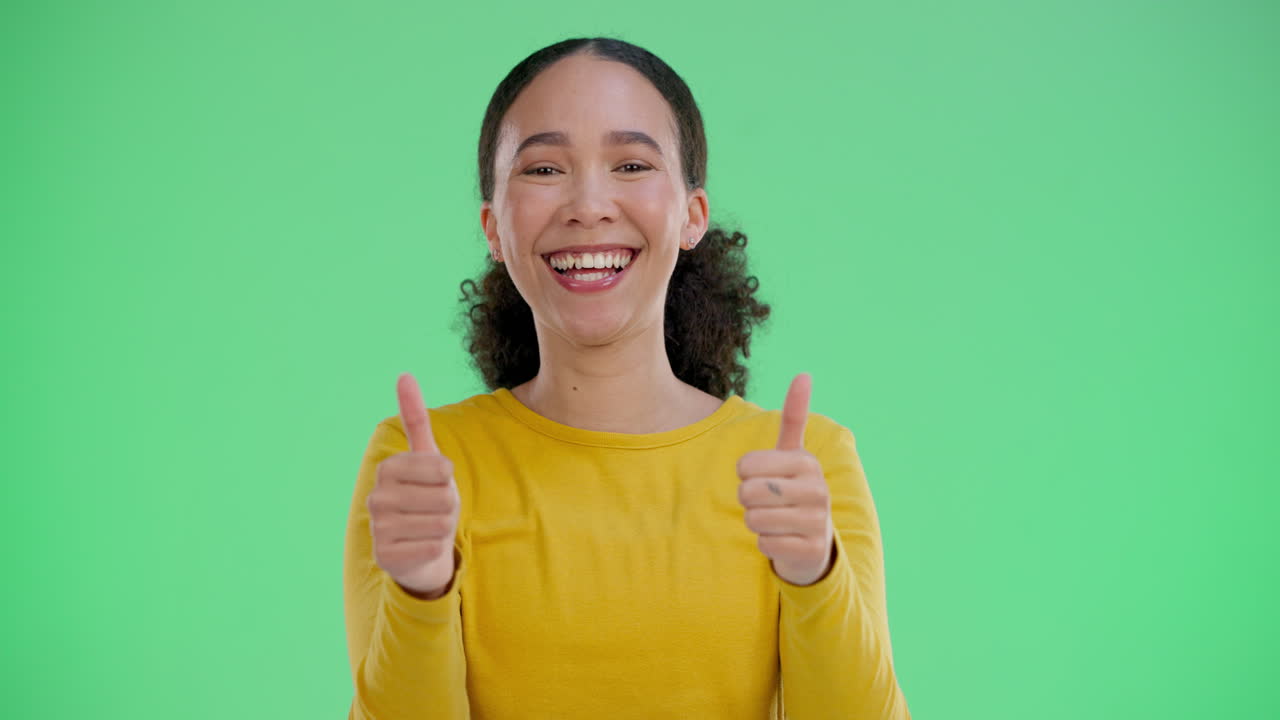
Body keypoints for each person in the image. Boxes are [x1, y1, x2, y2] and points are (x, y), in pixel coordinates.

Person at [343, 36, 910, 719]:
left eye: (632, 163)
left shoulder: (803, 467)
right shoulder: (422, 468)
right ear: (494, 228)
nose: (589, 204)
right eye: (545, 169)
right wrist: (422, 595)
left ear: (691, 216)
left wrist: (816, 577)